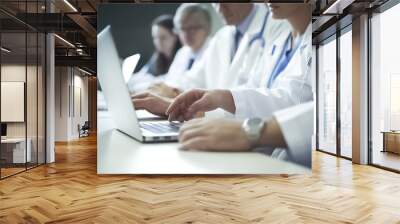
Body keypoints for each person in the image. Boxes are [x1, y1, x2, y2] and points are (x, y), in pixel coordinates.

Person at [166, 3, 314, 167]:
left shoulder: (325, 34)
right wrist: (213, 100)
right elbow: (255, 88)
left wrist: (250, 131)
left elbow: (302, 107)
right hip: (262, 155)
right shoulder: (281, 40)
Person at [132, 3, 291, 112]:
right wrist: (168, 90)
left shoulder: (278, 26)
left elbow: (262, 95)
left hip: (245, 130)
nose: (219, 8)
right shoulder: (222, 36)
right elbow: (195, 78)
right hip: (215, 121)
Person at [148, 3, 212, 98]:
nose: (186, 34)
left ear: (207, 28)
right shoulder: (183, 52)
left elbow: (195, 84)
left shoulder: (214, 49)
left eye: (192, 28)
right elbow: (170, 79)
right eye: (182, 29)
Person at [127, 15, 181, 92]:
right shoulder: (157, 56)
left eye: (163, 37)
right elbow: (143, 74)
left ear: (175, 36)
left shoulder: (182, 55)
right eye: (155, 37)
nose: (158, 42)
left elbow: (172, 81)